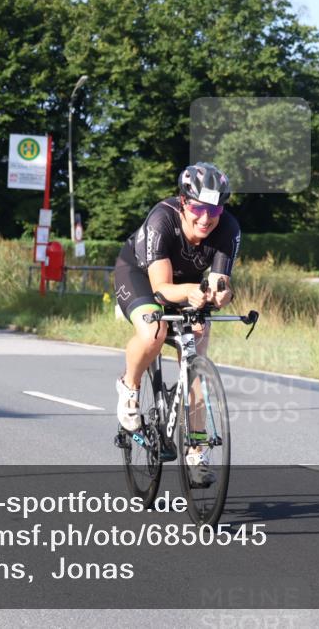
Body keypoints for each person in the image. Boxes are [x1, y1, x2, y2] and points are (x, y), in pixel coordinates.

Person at [112, 162, 240, 482]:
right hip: (141, 276)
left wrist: (221, 294)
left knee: (196, 354)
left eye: (215, 210)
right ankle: (129, 386)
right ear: (184, 203)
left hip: (186, 286)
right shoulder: (162, 219)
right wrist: (191, 293)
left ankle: (196, 450)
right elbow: (162, 289)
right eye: (198, 208)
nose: (206, 218)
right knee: (154, 330)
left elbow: (221, 281)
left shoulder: (228, 229)